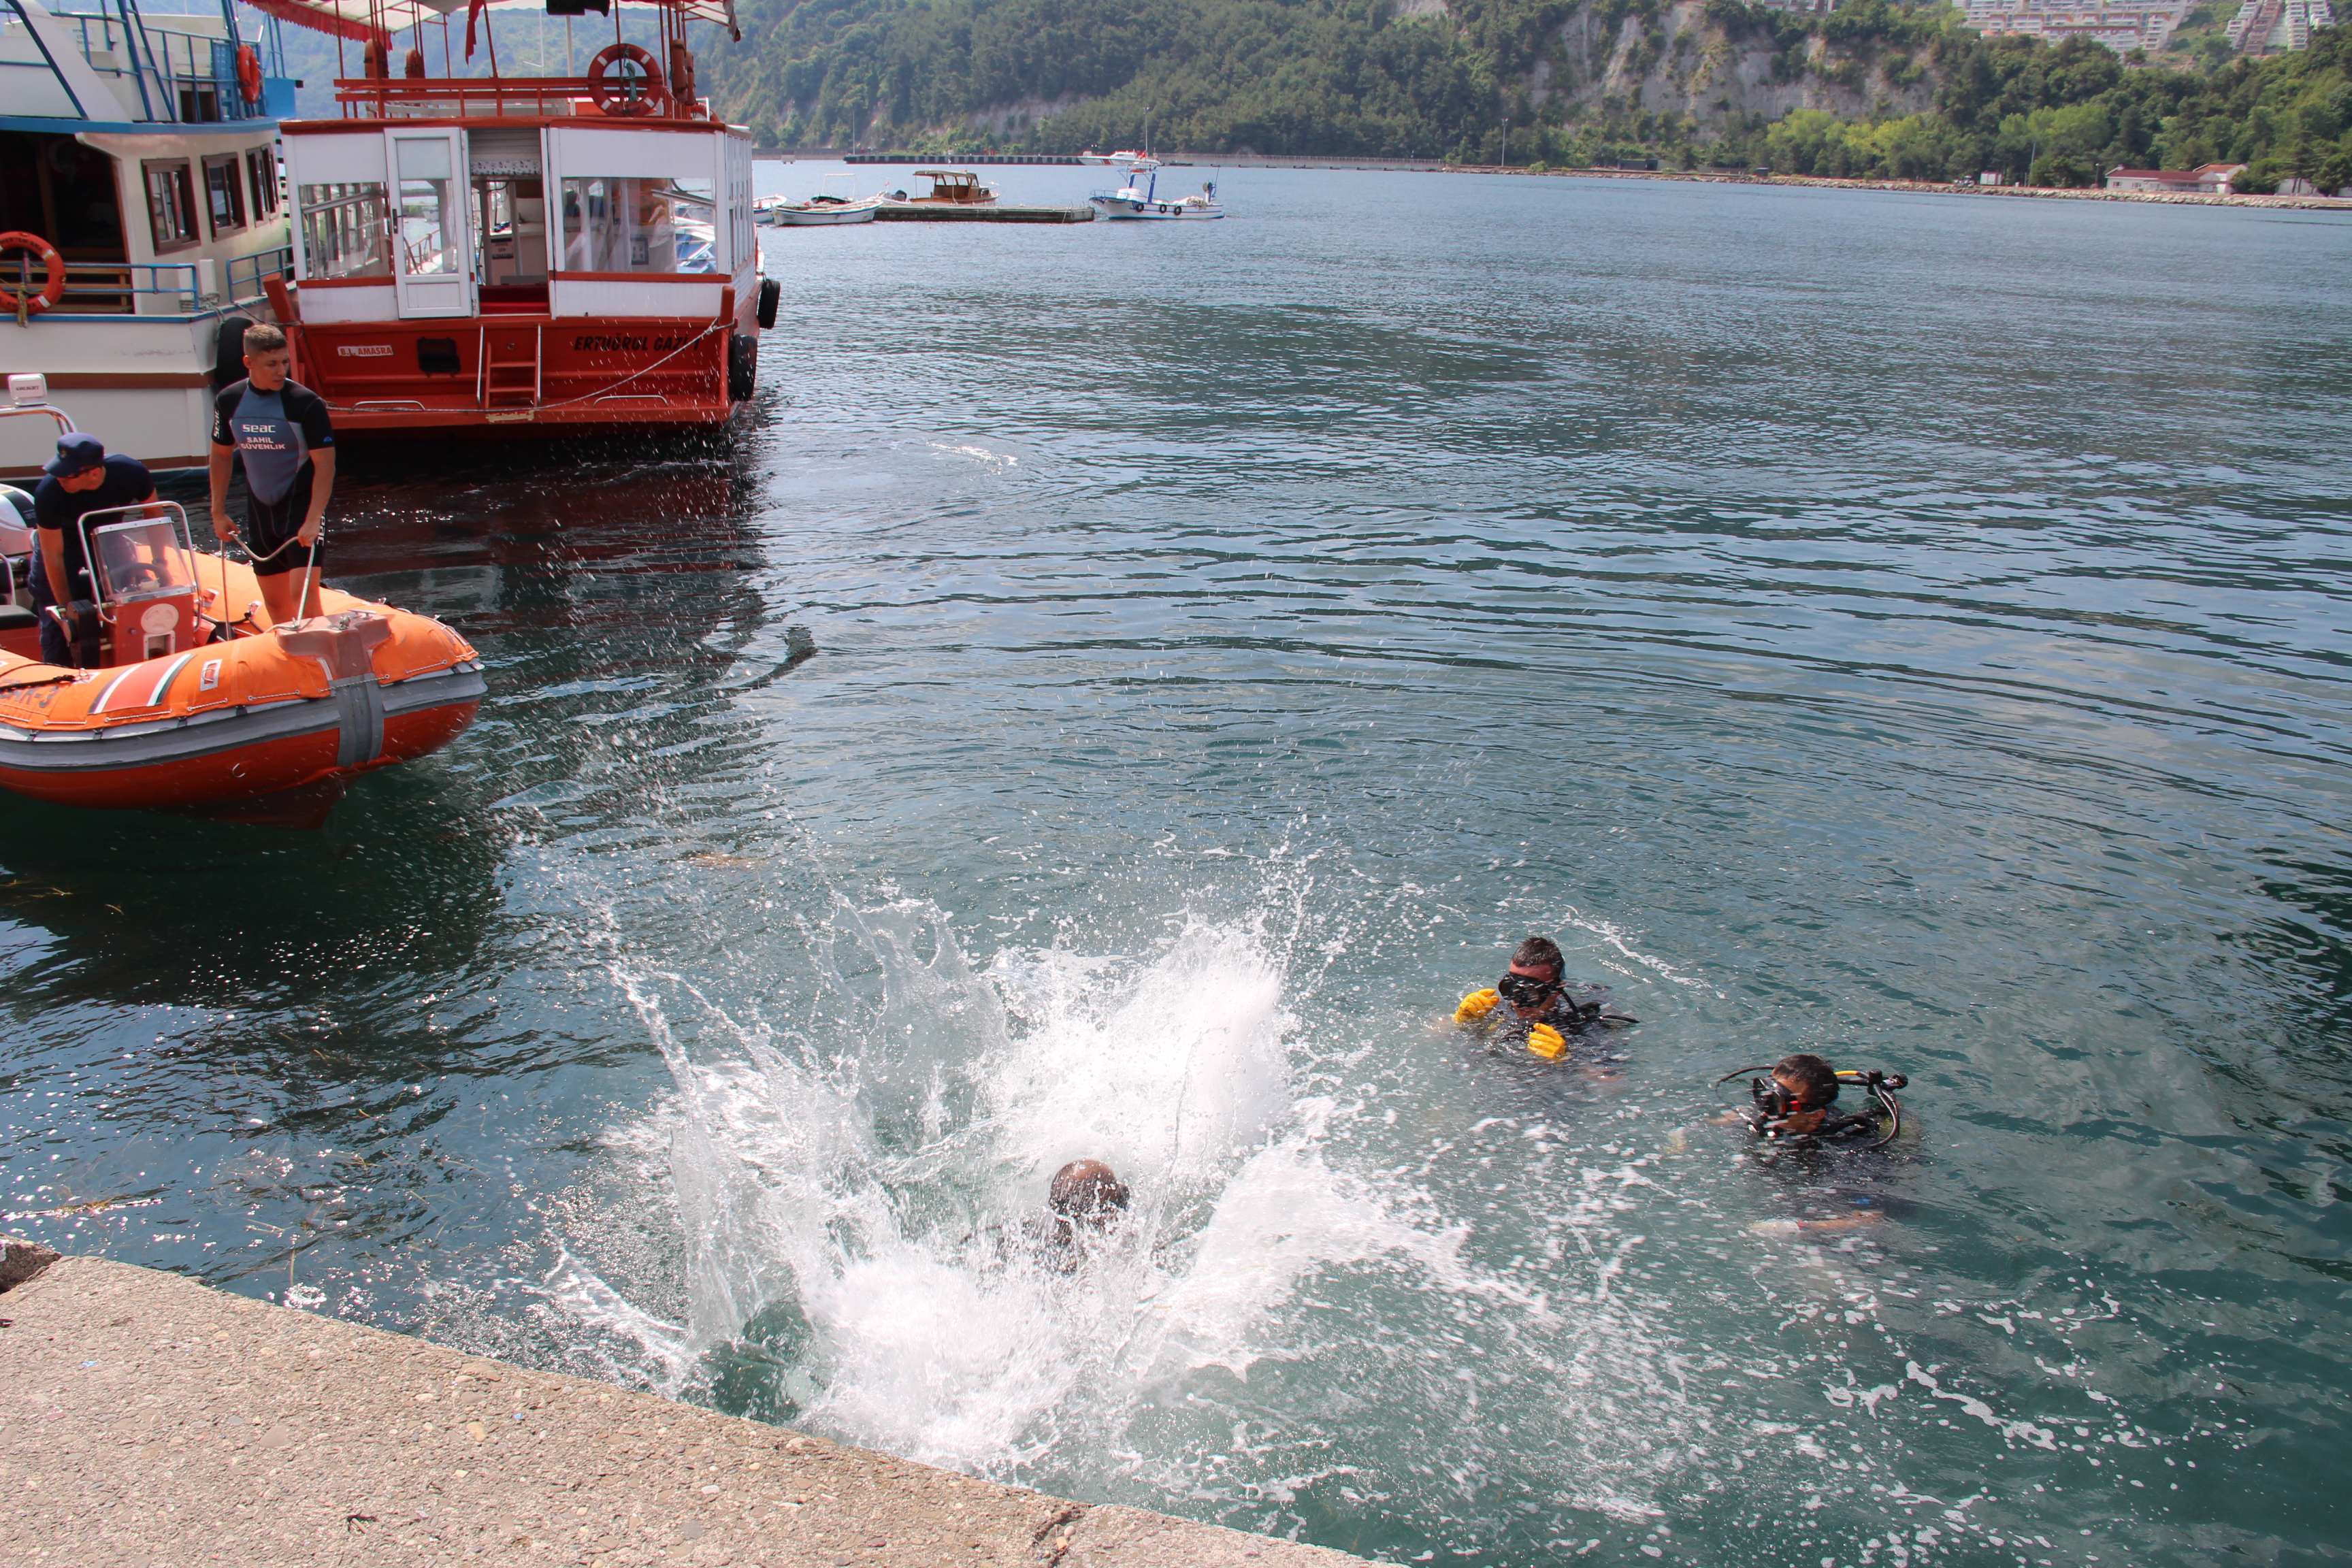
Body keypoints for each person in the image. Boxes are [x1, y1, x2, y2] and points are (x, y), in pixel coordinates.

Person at [209, 321, 335, 627]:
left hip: (301, 512)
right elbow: (221, 455)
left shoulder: (305, 403)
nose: (282, 371)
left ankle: (323, 669)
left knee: (303, 602)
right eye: (272, 364)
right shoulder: (229, 400)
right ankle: (294, 670)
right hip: (261, 514)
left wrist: (315, 517)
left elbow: (326, 465)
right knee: (276, 605)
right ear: (248, 363)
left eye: (285, 362)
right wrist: (217, 512)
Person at [29, 432, 158, 667]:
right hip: (63, 544)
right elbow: (53, 554)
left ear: (94, 473)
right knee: (53, 609)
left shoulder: (131, 473)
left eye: (67, 474)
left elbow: (154, 515)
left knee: (126, 594)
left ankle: (127, 662)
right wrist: (68, 611)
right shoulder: (48, 492)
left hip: (107, 537)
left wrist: (160, 561)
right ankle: (58, 668)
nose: (60, 479)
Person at [1452, 935, 1635, 1062]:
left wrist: (1568, 1059)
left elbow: (1613, 1085)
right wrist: (1462, 1020)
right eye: (1512, 989)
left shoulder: (1584, 1025)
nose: (1517, 1002)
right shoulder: (1499, 1007)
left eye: (1531, 994)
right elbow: (1435, 1036)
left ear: (1556, 991)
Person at [1020, 1159, 1130, 1275]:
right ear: (1095, 1214)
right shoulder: (1119, 1254)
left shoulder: (1032, 1246)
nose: (1124, 1195)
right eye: (1116, 1199)